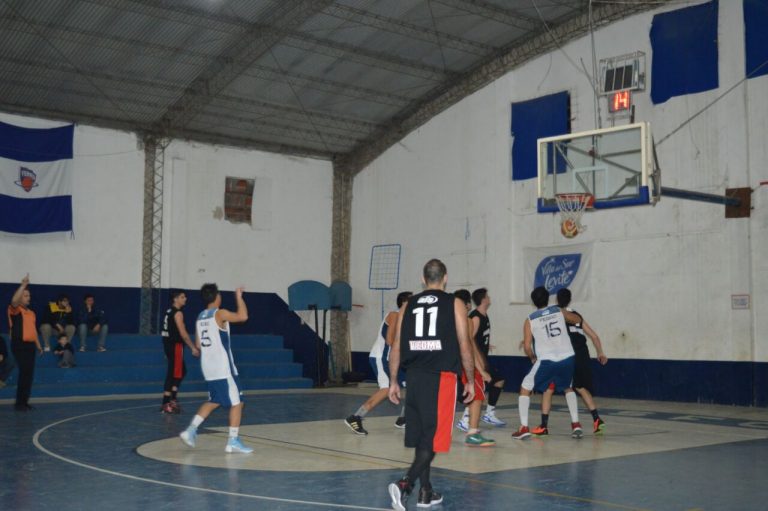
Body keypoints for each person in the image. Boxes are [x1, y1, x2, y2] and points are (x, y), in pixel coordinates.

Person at [387, 259, 476, 510]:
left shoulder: (407, 305)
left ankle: (426, 492)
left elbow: (396, 345)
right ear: (445, 277)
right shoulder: (455, 303)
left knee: (422, 438)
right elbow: (464, 344)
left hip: (413, 377)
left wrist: (394, 381)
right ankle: (405, 484)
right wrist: (469, 379)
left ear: (423, 278)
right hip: (441, 378)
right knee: (432, 440)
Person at [179, 284, 252, 453]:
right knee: (238, 403)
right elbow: (243, 316)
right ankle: (233, 441)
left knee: (214, 400)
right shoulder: (220, 313)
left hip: (209, 367)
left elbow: (198, 345)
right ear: (217, 296)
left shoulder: (200, 317)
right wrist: (239, 297)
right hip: (223, 367)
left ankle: (191, 430)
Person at [512, 286, 583, 440]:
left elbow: (527, 346)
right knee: (568, 387)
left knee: (525, 388)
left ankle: (524, 427)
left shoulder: (530, 319)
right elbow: (577, 320)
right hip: (567, 357)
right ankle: (576, 425)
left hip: (547, 359)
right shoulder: (558, 311)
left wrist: (532, 357)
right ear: (548, 299)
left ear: (533, 302)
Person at [344, 291, 411, 435]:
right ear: (405, 303)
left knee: (413, 383)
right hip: (382, 357)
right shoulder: (395, 315)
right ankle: (356, 417)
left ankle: (404, 418)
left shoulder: (406, 319)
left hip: (393, 357)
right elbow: (389, 340)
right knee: (386, 389)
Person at [550, 288, 608, 434]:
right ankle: (597, 419)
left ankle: (574, 424)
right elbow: (594, 336)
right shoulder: (576, 315)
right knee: (580, 387)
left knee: (563, 387)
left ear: (557, 300)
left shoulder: (555, 315)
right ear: (570, 300)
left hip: (568, 354)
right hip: (583, 354)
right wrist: (600, 353)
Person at [454, 289, 494, 447]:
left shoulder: (446, 318)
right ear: (467, 304)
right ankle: (472, 432)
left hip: (445, 364)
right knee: (477, 396)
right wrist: (481, 369)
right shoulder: (466, 319)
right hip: (463, 364)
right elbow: (469, 345)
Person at [466, 288, 506, 427]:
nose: (489, 298)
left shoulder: (484, 314)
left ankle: (487, 414)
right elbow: (469, 339)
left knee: (496, 381)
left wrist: (485, 344)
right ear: (483, 299)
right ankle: (467, 419)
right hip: (477, 360)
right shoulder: (476, 317)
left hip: (483, 357)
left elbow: (477, 337)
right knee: (482, 386)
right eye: (487, 296)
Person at [160, 290, 200, 414]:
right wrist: (193, 347)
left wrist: (166, 350)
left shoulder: (168, 311)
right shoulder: (178, 314)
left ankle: (172, 399)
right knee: (173, 373)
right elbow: (183, 333)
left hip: (169, 345)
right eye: (182, 297)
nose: (185, 299)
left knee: (180, 371)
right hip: (175, 346)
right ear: (175, 299)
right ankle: (166, 403)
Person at [8, 274, 43, 411]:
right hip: (19, 345)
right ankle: (19, 403)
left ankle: (25, 401)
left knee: (29, 373)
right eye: (25, 295)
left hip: (30, 346)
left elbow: (33, 330)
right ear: (20, 296)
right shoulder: (15, 310)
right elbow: (14, 301)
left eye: (29, 295)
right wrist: (23, 285)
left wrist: (38, 345)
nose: (29, 297)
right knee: (24, 372)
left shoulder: (32, 313)